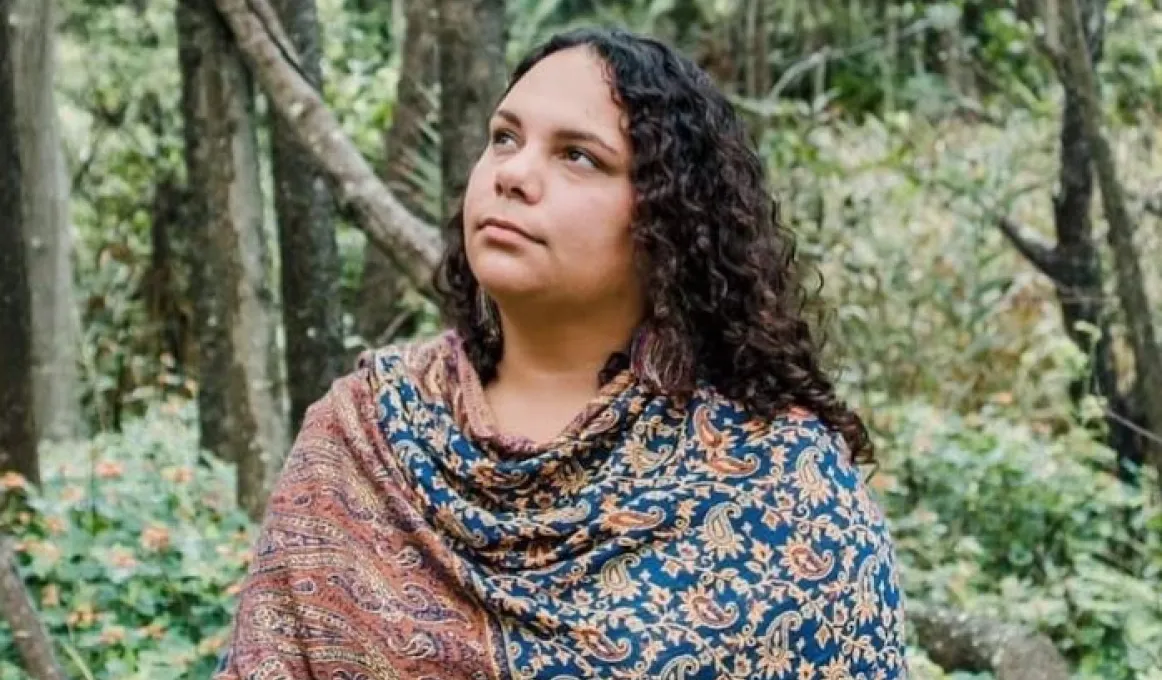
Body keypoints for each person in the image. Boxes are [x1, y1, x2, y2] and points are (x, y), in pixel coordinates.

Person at [213, 26, 908, 680]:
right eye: (505, 138)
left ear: (668, 218)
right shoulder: (363, 437)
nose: (513, 174)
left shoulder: (781, 486)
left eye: (578, 155)